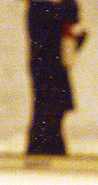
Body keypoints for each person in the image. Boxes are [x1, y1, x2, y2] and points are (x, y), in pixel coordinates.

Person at [26, 0, 85, 156]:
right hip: (47, 66)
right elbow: (50, 33)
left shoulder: (45, 9)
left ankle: (47, 150)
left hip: (54, 66)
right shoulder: (41, 9)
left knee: (52, 111)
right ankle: (44, 150)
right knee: (47, 111)